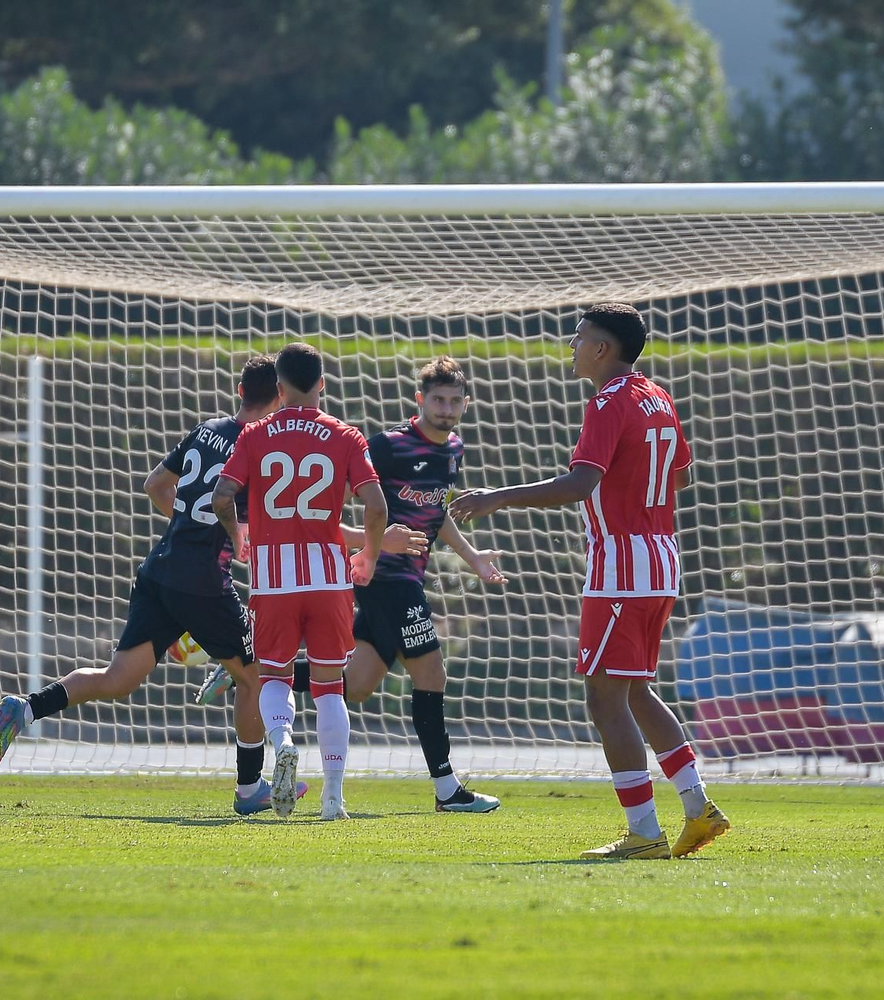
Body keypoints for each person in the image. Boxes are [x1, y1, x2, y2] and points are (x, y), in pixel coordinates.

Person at [450, 304, 730, 859]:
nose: (571, 347)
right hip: (661, 555)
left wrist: (496, 498)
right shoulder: (657, 395)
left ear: (603, 349)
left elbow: (581, 483)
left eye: (579, 338)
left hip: (622, 564)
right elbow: (681, 472)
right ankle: (697, 808)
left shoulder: (609, 401)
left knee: (605, 699)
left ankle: (644, 832)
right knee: (637, 691)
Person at [0, 356, 311, 816]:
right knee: (254, 679)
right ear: (279, 397)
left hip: (160, 569)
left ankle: (25, 707)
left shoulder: (205, 430)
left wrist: (188, 525)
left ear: (239, 391)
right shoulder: (258, 448)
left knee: (118, 679)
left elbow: (155, 485)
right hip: (204, 584)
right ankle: (250, 786)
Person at [212, 343, 388, 820]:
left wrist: (239, 533)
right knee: (330, 686)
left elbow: (222, 494)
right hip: (329, 577)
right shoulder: (345, 436)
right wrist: (368, 556)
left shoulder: (254, 435)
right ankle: (334, 798)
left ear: (280, 389)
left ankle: (284, 742)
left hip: (273, 578)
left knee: (273, 676)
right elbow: (376, 506)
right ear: (322, 386)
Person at [343, 357, 505, 812]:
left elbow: (437, 513)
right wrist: (368, 541)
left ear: (466, 404)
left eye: (455, 401)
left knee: (357, 684)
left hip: (406, 578)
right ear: (420, 400)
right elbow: (334, 497)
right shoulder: (388, 446)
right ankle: (448, 790)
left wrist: (473, 558)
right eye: (438, 399)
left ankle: (257, 672)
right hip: (386, 578)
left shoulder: (453, 448)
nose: (446, 408)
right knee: (431, 674)